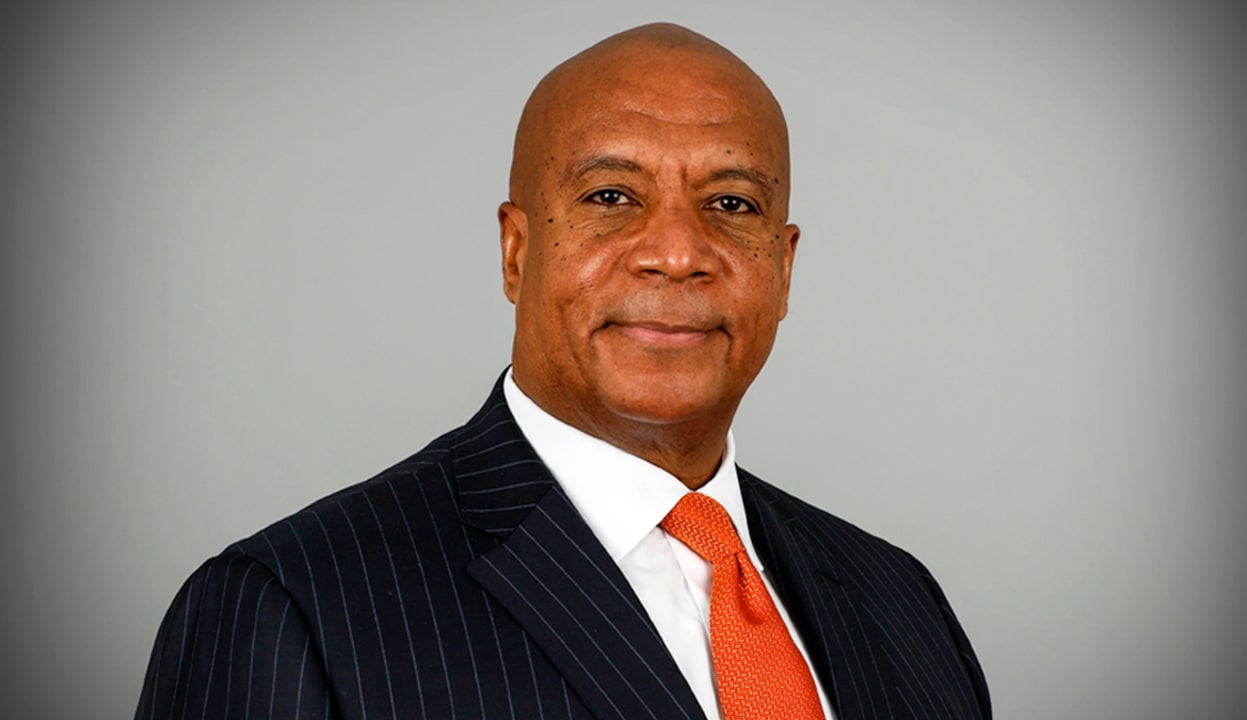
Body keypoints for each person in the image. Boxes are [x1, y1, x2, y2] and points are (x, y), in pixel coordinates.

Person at [135, 23, 991, 720]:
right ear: (516, 252)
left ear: (786, 267)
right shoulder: (291, 608)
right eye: (611, 197)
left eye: (732, 204)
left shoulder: (900, 601)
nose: (677, 253)